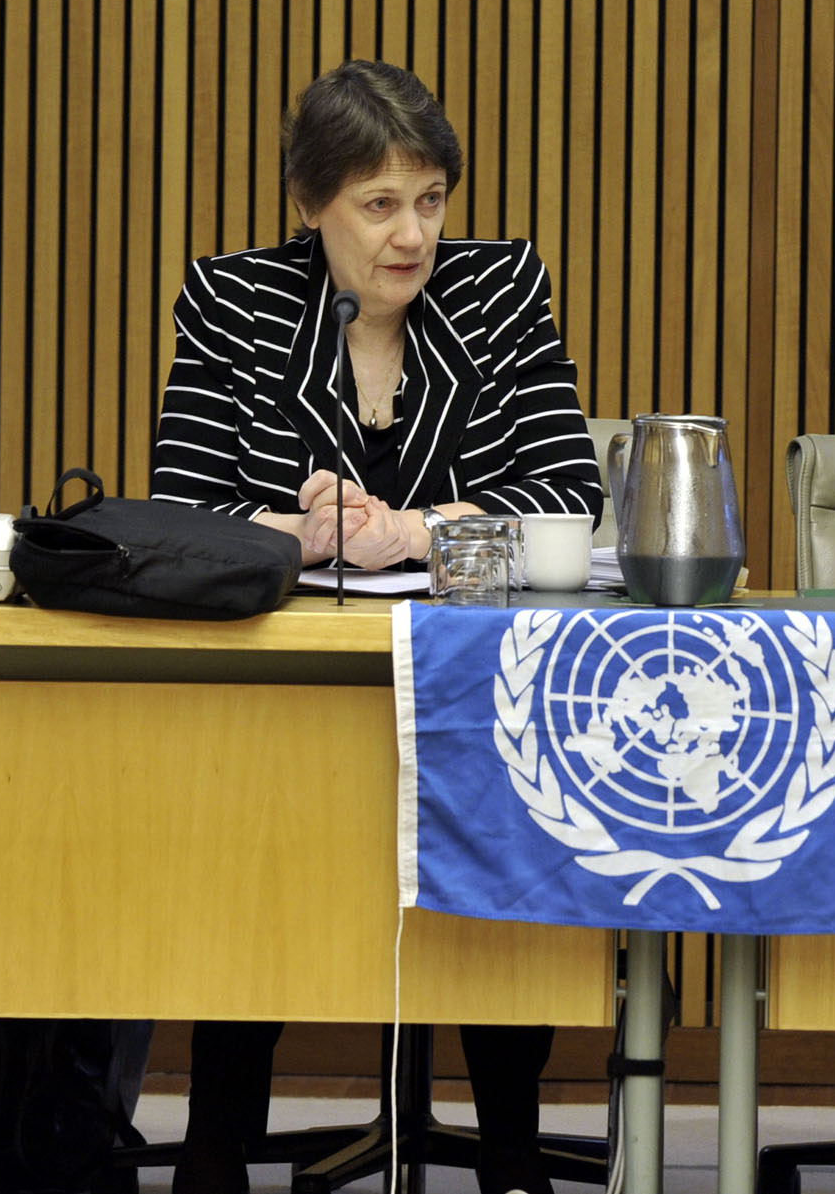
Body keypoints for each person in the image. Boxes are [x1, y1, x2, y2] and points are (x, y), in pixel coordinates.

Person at [150, 59, 606, 1194]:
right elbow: (180, 511)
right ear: (310, 207)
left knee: (505, 818)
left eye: (431, 200)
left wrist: (409, 534)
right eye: (379, 204)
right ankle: (217, 1150)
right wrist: (301, 533)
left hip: (474, 692)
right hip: (284, 694)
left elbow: (565, 499)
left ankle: (511, 1152)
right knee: (253, 848)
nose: (412, 236)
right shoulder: (236, 301)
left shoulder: (498, 293)